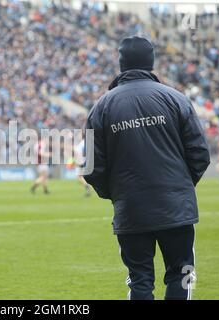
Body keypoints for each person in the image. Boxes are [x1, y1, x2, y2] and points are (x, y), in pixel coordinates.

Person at [84, 36, 210, 300]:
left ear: (121, 64)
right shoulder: (176, 99)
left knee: (139, 281)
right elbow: (200, 154)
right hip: (176, 206)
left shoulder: (101, 107)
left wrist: (117, 193)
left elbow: (92, 166)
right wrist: (180, 186)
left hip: (131, 208)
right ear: (151, 63)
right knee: (182, 274)